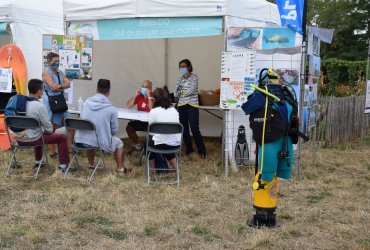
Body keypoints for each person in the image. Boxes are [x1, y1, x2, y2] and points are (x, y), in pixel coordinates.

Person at [74, 79, 132, 174]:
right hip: (98, 141)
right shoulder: (111, 109)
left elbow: (81, 120)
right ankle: (120, 169)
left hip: (81, 139)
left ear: (96, 90)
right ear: (109, 92)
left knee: (90, 138)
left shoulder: (85, 103)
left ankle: (91, 166)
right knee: (119, 143)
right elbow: (114, 130)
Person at [16, 79, 70, 172]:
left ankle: (39, 161)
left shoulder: (19, 103)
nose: (43, 91)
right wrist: (49, 129)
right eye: (43, 89)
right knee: (61, 137)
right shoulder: (39, 106)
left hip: (19, 140)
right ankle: (63, 166)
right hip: (34, 139)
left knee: (37, 131)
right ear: (39, 91)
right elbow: (48, 129)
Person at [174, 59, 206, 158]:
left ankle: (202, 151)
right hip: (182, 106)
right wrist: (182, 92)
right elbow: (175, 93)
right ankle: (189, 149)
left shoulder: (194, 77)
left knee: (195, 129)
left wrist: (181, 92)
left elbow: (191, 91)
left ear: (189, 67)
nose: (182, 68)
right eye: (180, 67)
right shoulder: (179, 79)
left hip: (192, 106)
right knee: (184, 129)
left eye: (184, 66)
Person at [42, 52, 72, 157]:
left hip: (60, 100)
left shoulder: (60, 72)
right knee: (52, 127)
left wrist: (59, 86)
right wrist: (63, 86)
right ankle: (52, 152)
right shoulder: (46, 73)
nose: (57, 63)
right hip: (50, 101)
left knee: (70, 124)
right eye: (55, 61)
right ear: (49, 62)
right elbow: (52, 87)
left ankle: (69, 151)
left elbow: (68, 84)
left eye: (58, 61)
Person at [148, 86, 181, 170]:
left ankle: (152, 169)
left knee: (149, 142)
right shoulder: (173, 110)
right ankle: (175, 167)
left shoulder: (154, 111)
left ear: (154, 99)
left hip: (161, 145)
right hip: (175, 145)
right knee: (166, 140)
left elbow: (151, 131)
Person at [126, 80, 154, 153]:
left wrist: (149, 97)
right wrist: (135, 95)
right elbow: (129, 105)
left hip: (150, 122)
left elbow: (152, 110)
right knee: (129, 127)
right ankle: (137, 146)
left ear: (150, 89)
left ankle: (150, 148)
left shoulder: (154, 97)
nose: (143, 88)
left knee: (152, 132)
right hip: (140, 121)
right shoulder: (139, 96)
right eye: (142, 86)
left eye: (145, 87)